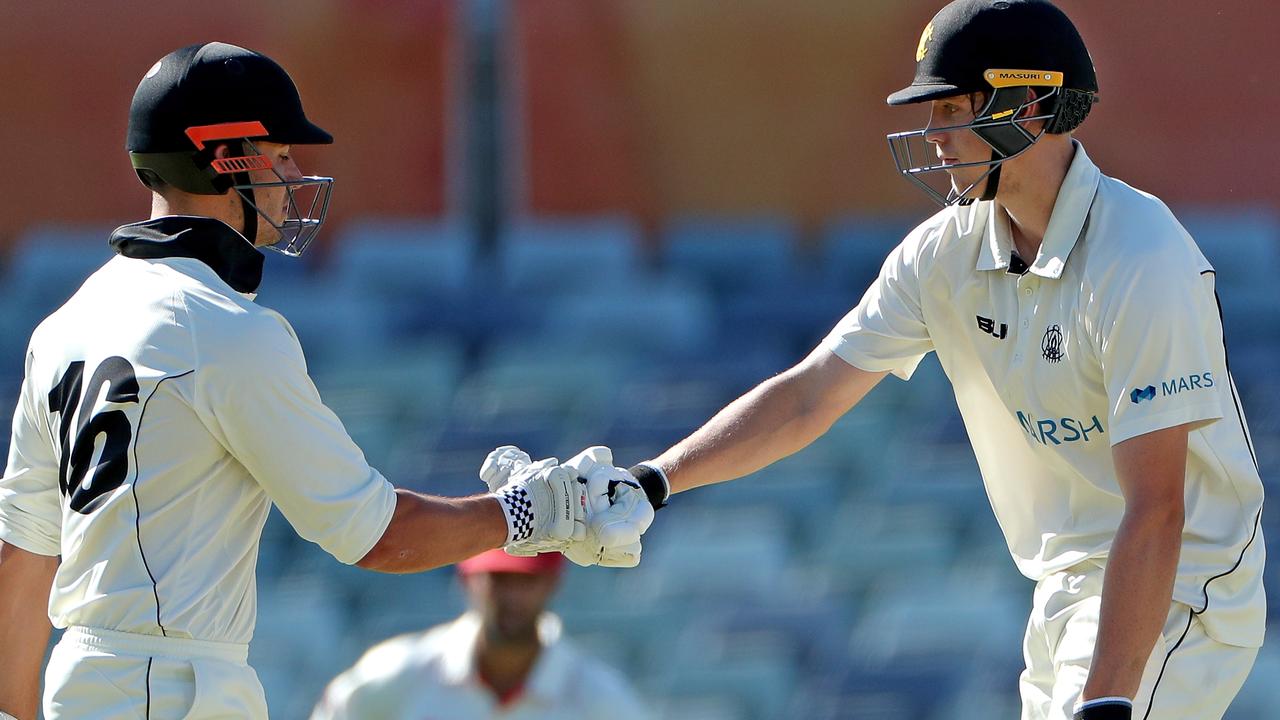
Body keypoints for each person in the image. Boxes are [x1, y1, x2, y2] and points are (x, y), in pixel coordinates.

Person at [509, 2, 1266, 719]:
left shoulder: (1142, 255)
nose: (933, 134)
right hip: (1067, 587)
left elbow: (1160, 509)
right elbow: (810, 396)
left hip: (1183, 585)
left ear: (1029, 109)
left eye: (950, 109)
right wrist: (657, 478)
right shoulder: (944, 254)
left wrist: (1107, 705)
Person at [0, 42, 646, 720]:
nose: (293, 173)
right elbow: (376, 535)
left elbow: (23, 553)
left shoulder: (64, 325)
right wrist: (534, 512)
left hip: (81, 685)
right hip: (173, 689)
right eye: (279, 155)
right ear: (225, 158)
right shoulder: (225, 330)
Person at [311, 549, 651, 720]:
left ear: (552, 583)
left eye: (526, 581)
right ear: (467, 580)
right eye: (499, 580)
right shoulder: (399, 672)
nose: (512, 598)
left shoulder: (599, 699)